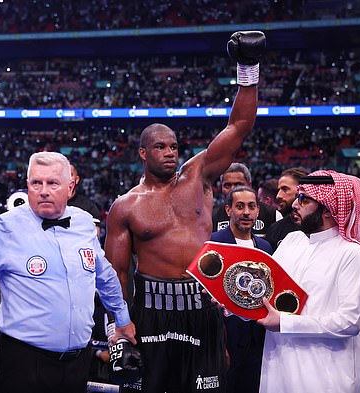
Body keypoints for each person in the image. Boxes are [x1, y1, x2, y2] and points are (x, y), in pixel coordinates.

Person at [104, 31, 266, 393]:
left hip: (201, 304)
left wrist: (248, 69)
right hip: (151, 309)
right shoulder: (126, 206)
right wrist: (117, 328)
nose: (170, 153)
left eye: (174, 146)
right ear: (144, 153)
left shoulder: (199, 177)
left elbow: (238, 127)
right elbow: (116, 273)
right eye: (160, 147)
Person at [0, 152, 136, 393]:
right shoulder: (6, 227)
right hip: (24, 363)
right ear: (27, 186)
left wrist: (122, 318)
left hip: (78, 361)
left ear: (70, 187)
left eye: (52, 183)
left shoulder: (84, 223)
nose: (43, 190)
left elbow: (105, 275)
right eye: (36, 183)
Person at [257, 170, 360, 393]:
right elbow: (266, 294)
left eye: (305, 199)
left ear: (329, 210)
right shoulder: (292, 241)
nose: (295, 204)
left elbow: (349, 322)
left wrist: (285, 323)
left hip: (323, 377)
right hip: (277, 369)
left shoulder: (352, 254)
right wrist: (232, 303)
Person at [210, 186, 272, 393]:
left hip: (257, 338)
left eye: (251, 206)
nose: (246, 212)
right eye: (240, 206)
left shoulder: (265, 247)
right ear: (228, 210)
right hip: (224, 337)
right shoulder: (214, 242)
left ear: (257, 211)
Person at [211, 163, 280, 237]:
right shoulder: (212, 216)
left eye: (238, 184)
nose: (232, 189)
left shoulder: (273, 215)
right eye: (227, 185)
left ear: (249, 185)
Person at [265, 167, 309, 250]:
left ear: (301, 190)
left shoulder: (319, 227)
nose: (278, 196)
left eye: (285, 189)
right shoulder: (275, 229)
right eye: (279, 190)